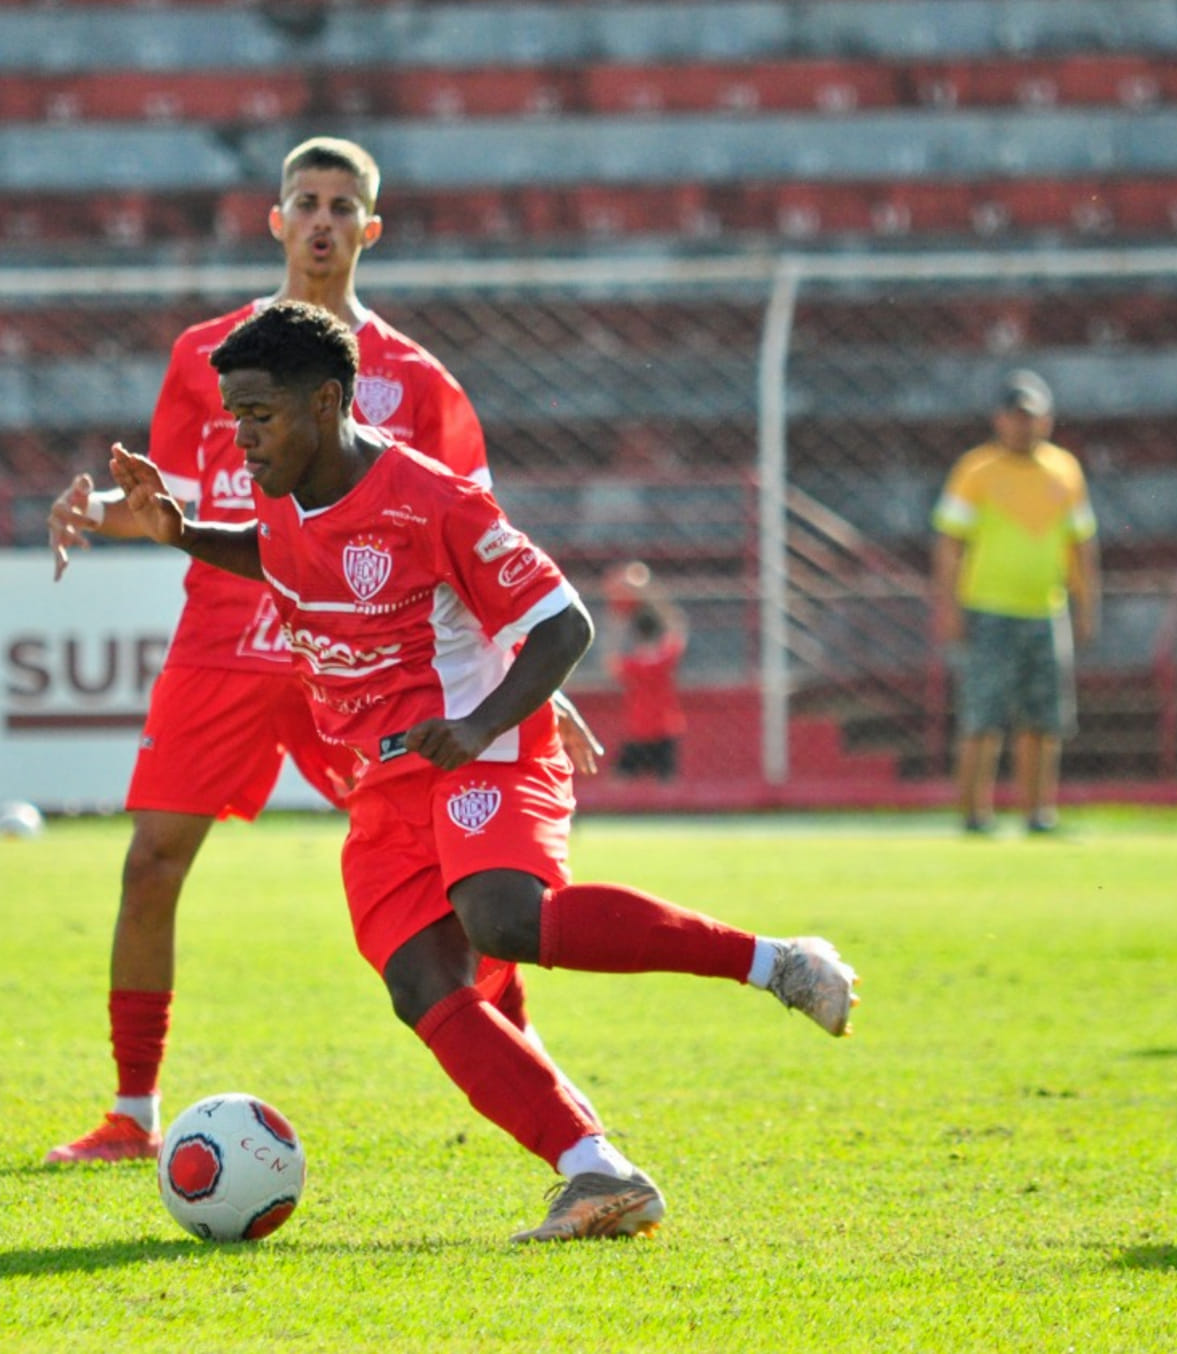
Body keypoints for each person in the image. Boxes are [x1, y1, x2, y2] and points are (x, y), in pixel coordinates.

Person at [107, 300, 859, 1240]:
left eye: (258, 417)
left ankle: (778, 964)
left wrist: (479, 723)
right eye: (234, 419)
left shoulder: (432, 498)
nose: (241, 439)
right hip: (387, 783)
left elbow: (565, 623)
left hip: (485, 748)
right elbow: (281, 555)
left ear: (328, 400)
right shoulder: (281, 485)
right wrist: (181, 529)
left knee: (503, 916)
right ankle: (598, 1173)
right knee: (421, 983)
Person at [42, 136, 601, 1165]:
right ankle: (129, 1109)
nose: (322, 221)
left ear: (368, 229)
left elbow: (474, 539)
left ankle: (524, 1069)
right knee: (151, 861)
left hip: (364, 664)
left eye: (343, 206)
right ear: (275, 219)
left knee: (452, 874)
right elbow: (172, 500)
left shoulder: (415, 381)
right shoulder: (206, 353)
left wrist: (522, 681)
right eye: (305, 201)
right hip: (222, 640)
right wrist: (106, 507)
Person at [931, 370, 1100, 835]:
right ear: (999, 419)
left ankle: (1038, 812)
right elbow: (950, 543)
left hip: (1046, 608)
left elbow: (1080, 544)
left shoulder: (1064, 470)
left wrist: (1085, 605)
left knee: (1044, 719)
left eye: (1032, 416)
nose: (1024, 425)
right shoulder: (977, 470)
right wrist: (948, 607)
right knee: (983, 715)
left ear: (1046, 419)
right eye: (1016, 415)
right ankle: (973, 814)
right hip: (989, 609)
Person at [602, 562, 689, 780]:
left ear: (636, 635)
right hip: (665, 727)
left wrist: (616, 614)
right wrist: (649, 589)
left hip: (638, 729)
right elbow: (677, 626)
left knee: (618, 779)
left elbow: (609, 661)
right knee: (668, 784)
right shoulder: (666, 657)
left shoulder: (632, 664)